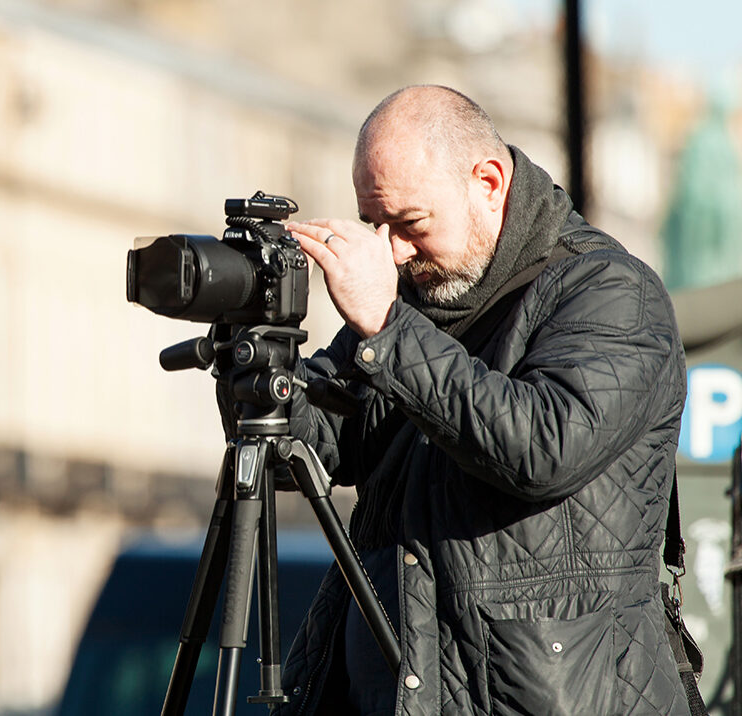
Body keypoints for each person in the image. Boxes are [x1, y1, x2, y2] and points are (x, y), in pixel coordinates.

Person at [271, 85, 691, 714]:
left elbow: (543, 446)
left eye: (411, 224)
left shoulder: (610, 293)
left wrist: (386, 328)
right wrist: (258, 355)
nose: (393, 251)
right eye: (373, 225)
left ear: (489, 182)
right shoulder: (417, 300)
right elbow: (308, 449)